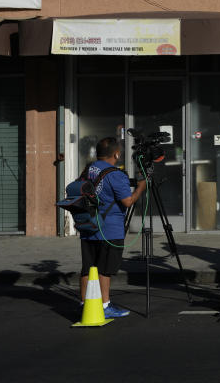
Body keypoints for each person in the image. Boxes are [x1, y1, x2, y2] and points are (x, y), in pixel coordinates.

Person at [78, 137, 146, 319]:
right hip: (109, 230)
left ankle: (84, 304)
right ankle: (105, 305)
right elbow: (128, 201)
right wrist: (141, 186)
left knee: (88, 268)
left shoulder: (88, 169)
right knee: (105, 269)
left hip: (88, 225)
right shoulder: (115, 174)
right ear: (116, 154)